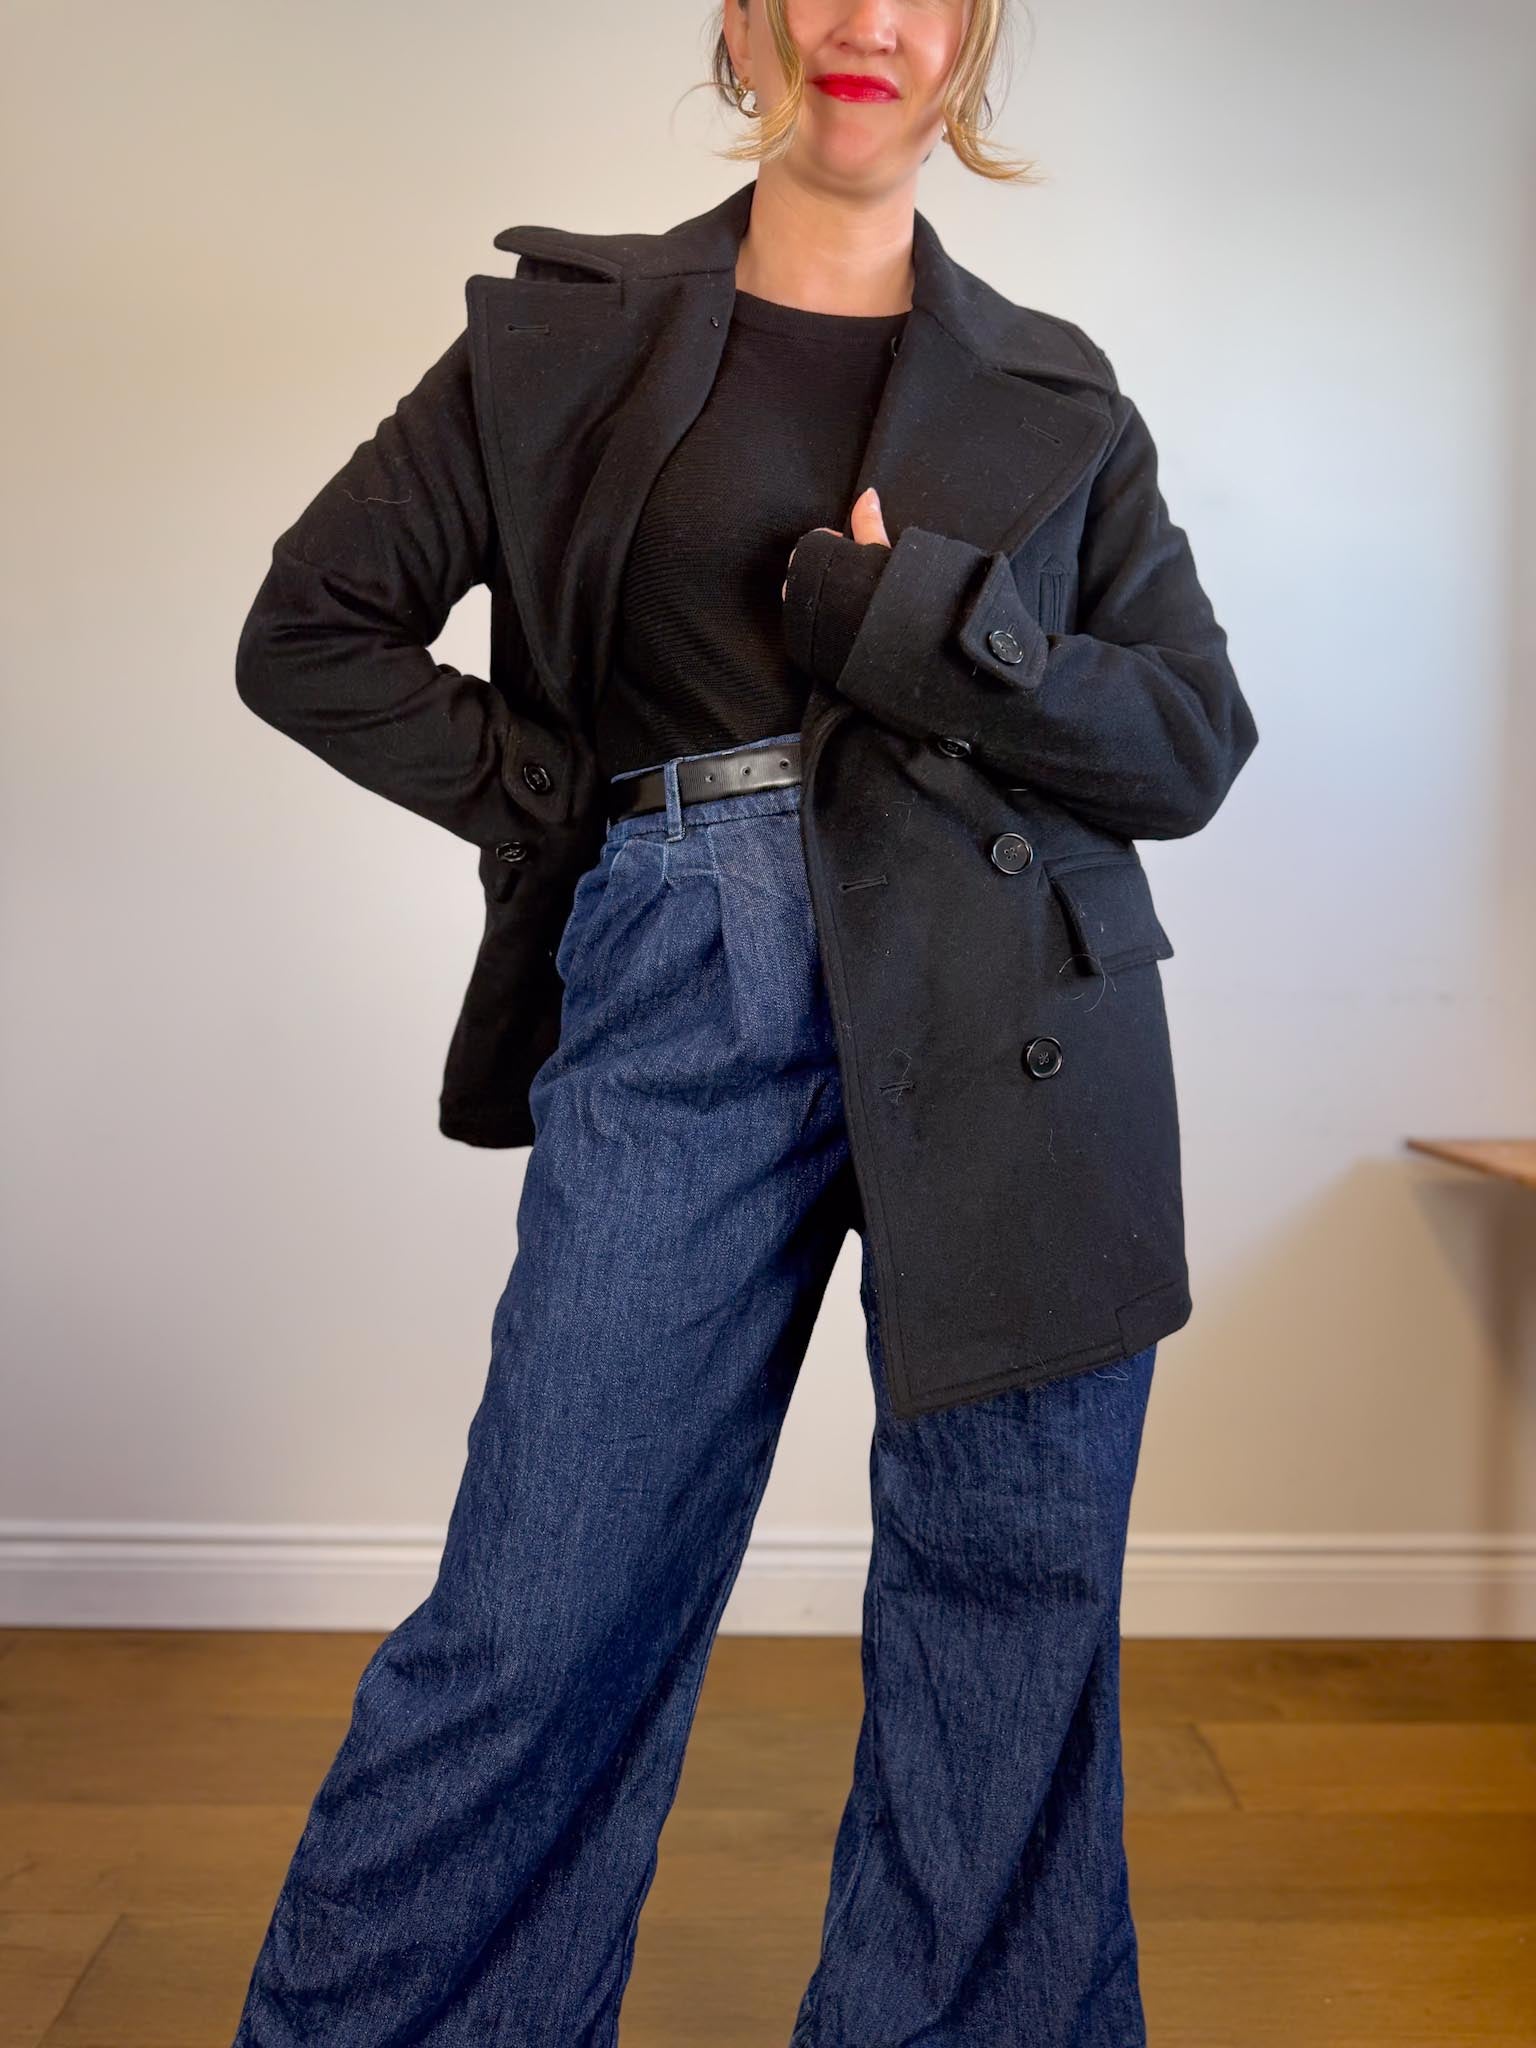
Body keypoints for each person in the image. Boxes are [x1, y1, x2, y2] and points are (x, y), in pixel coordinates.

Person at [229, 3, 1258, 2042]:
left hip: (1018, 1000)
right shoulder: (560, 341)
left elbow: (1188, 740)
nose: (868, 17)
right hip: (687, 966)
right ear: (739, 20)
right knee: (541, 1606)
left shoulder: (1063, 392)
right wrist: (572, 805)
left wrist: (926, 625)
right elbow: (311, 631)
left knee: (1007, 1621)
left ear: (971, 41)